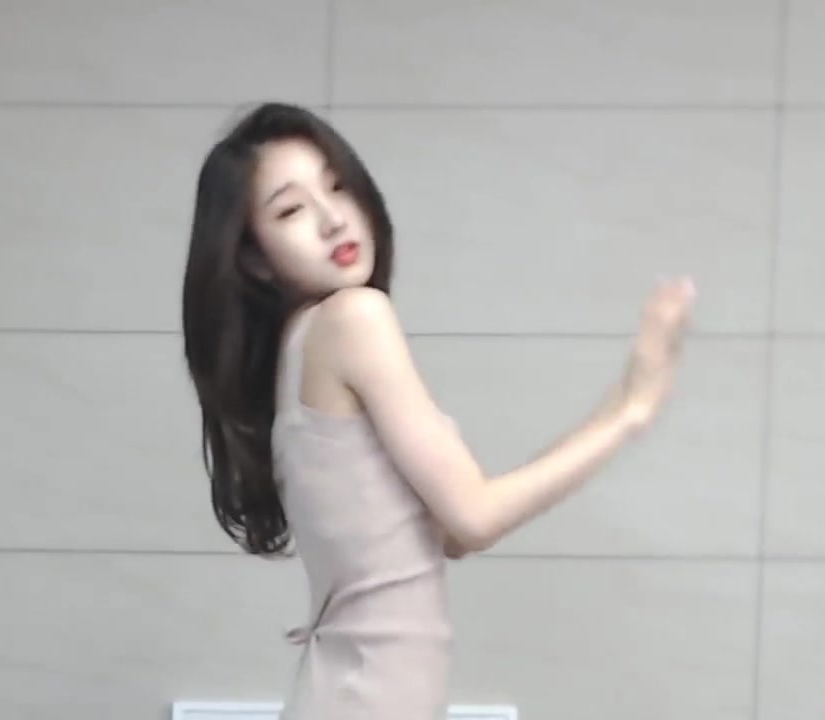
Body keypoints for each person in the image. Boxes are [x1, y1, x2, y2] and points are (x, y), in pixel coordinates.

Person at [180, 102, 696, 720]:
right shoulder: (352, 320)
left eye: (337, 187)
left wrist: (622, 401)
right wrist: (629, 413)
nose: (332, 218)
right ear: (255, 258)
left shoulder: (300, 348)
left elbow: (447, 535)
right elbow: (474, 519)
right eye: (290, 210)